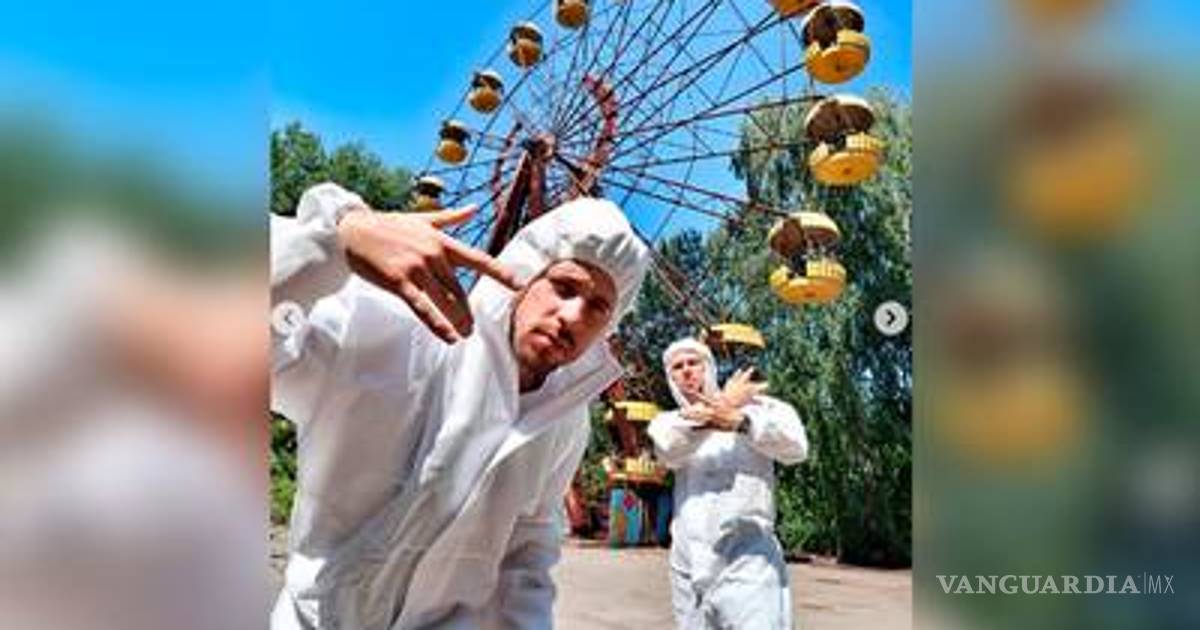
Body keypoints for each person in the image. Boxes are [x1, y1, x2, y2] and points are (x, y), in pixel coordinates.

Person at [270, 182, 649, 628]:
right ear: (525, 274)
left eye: (598, 307)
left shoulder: (565, 424)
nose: (572, 317)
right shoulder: (390, 328)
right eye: (564, 287)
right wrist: (333, 239)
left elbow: (528, 546)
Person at [647, 338, 809, 629]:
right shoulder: (668, 423)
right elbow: (669, 450)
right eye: (677, 367)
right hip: (688, 564)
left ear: (709, 367)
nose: (686, 371)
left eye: (693, 363)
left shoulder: (759, 409)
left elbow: (796, 448)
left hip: (748, 559)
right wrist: (724, 406)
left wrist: (743, 423)